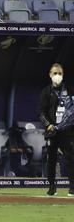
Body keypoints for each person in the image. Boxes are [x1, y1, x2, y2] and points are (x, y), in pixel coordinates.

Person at [39, 63, 74, 197]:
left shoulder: (70, 90)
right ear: (50, 75)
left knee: (70, 159)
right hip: (52, 131)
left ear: (63, 75)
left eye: (59, 73)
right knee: (51, 160)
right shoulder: (46, 92)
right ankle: (52, 187)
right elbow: (41, 112)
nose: (57, 76)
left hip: (67, 132)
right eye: (55, 73)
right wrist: (48, 124)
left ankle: (72, 188)